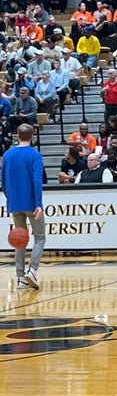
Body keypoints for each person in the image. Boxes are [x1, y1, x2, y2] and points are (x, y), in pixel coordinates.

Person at [1, 123, 45, 290]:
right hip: (31, 202)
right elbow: (37, 180)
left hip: (15, 203)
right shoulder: (34, 154)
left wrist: (10, 198)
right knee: (39, 237)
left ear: (17, 136)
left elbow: (3, 181)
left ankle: (20, 278)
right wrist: (38, 203)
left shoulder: (7, 154)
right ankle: (32, 270)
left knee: (20, 239)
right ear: (32, 136)